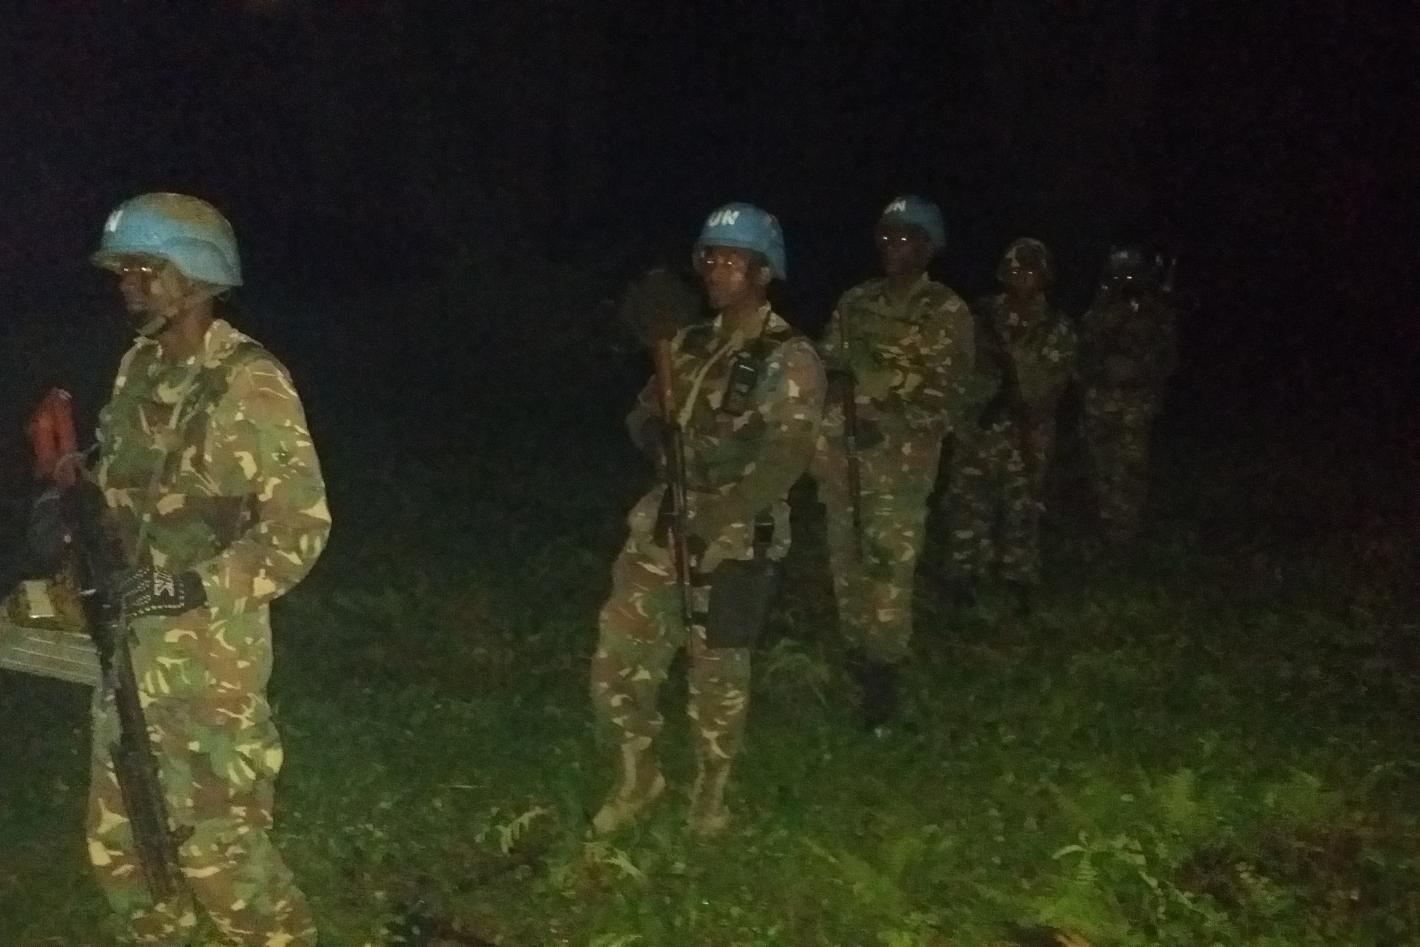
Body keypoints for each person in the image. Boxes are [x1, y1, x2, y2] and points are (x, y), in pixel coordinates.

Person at [77, 192, 331, 946]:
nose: (128, 285)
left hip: (211, 659)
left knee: (220, 850)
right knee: (124, 838)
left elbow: (299, 529)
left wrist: (194, 583)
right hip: (129, 645)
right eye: (123, 271)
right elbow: (124, 488)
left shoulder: (250, 383)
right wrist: (75, 509)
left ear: (196, 275)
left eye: (145, 270)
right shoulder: (139, 366)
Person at [590, 203, 825, 836]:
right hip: (663, 524)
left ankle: (710, 797)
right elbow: (643, 416)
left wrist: (718, 512)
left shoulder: (789, 355)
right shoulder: (688, 342)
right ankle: (638, 778)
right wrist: (657, 436)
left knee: (717, 674)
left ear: (764, 271)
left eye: (733, 260)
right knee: (620, 657)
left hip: (736, 535)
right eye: (711, 258)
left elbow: (787, 458)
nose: (718, 270)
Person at [811, 195, 973, 730]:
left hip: (902, 463)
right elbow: (828, 363)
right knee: (845, 558)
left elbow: (946, 393)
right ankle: (857, 655)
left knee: (888, 566)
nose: (892, 245)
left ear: (929, 247)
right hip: (841, 456)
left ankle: (884, 676)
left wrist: (881, 406)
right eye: (886, 235)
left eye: (906, 237)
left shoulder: (945, 310)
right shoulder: (855, 301)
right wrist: (842, 394)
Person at [942, 238, 1075, 614]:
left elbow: (1055, 382)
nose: (1023, 277)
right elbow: (956, 368)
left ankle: (1019, 580)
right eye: (1016, 270)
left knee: (1024, 507)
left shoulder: (1056, 327)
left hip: (1028, 430)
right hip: (978, 428)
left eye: (1031, 270)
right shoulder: (979, 317)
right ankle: (965, 576)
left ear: (1045, 276)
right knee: (968, 503)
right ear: (1003, 274)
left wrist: (1025, 400)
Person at [1077, 245, 1179, 546]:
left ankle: (1126, 532)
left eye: (1131, 274)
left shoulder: (1156, 311)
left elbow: (1169, 359)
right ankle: (1103, 525)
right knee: (1100, 465)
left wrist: (1139, 369)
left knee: (1131, 468)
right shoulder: (1098, 310)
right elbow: (1081, 353)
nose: (1126, 280)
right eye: (1119, 274)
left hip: (1136, 403)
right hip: (1099, 401)